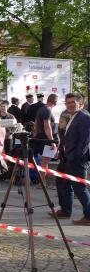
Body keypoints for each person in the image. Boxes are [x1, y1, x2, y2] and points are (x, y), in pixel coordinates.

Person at [55, 93, 90, 225]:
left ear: (80, 103)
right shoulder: (74, 116)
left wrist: (76, 157)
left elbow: (85, 140)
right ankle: (65, 210)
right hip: (68, 157)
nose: (69, 105)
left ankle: (89, 215)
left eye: (72, 102)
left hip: (77, 159)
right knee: (65, 184)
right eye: (67, 103)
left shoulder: (84, 117)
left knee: (79, 188)